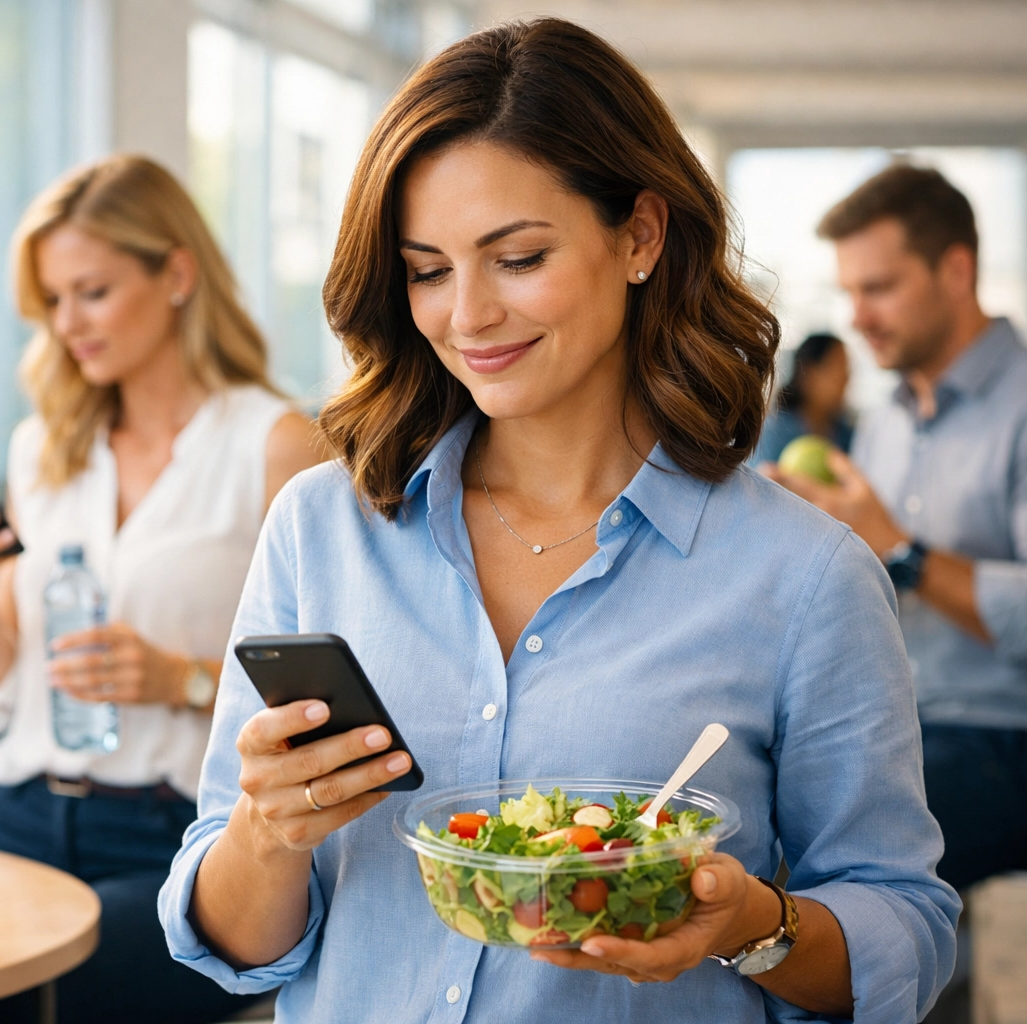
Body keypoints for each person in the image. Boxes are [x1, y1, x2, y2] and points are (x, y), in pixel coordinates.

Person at [159, 20, 958, 1023]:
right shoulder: (323, 529)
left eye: (518, 256)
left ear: (640, 236)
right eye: (427, 269)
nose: (468, 315)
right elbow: (230, 944)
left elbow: (908, 930)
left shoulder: (802, 575)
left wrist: (751, 922)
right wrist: (267, 834)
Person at [0, 154, 322, 1024]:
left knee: (51, 997)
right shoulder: (43, 450)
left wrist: (179, 681)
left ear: (176, 274)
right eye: (53, 301)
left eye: (91, 292)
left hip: (174, 835)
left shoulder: (276, 447)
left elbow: (339, 687)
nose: (69, 324)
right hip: (21, 816)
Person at [767, 163, 1027, 894]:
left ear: (956, 269)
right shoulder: (882, 425)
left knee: (795, 877)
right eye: (849, 292)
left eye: (878, 288)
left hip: (995, 736)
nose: (856, 316)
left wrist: (900, 551)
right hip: (893, 725)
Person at [753, 332, 853, 464]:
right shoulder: (774, 433)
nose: (846, 380)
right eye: (838, 369)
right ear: (809, 374)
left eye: (847, 371)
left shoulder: (848, 436)